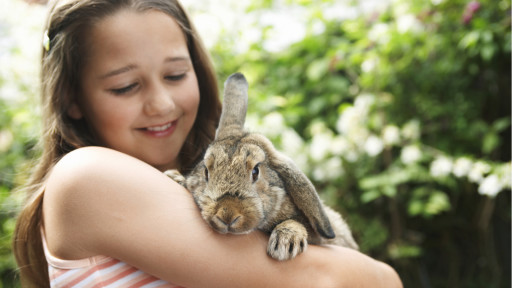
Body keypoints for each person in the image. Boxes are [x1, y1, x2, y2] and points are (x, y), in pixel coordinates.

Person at [12, 0, 403, 287]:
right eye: (125, 86)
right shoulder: (87, 178)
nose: (161, 104)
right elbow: (346, 280)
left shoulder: (189, 187)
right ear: (71, 99)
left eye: (177, 75)